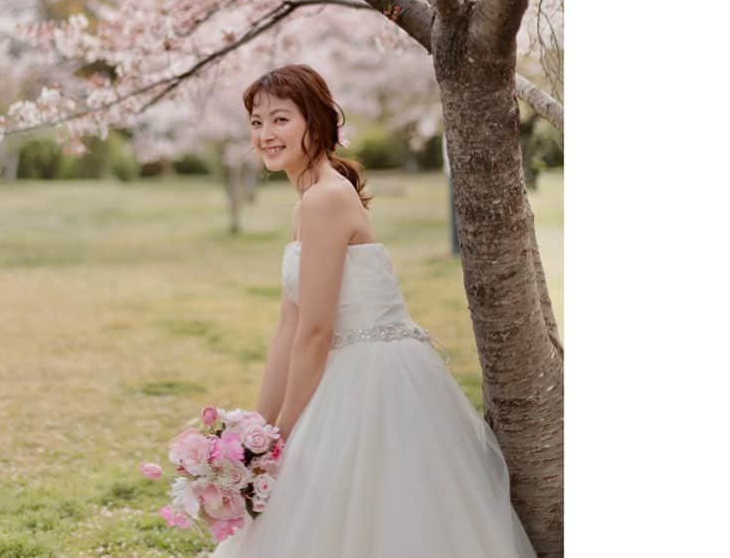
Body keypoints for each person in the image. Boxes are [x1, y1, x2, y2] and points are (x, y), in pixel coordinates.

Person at [211, 64, 537, 557]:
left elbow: (316, 331)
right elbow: (289, 325)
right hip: (343, 365)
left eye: (280, 119)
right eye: (257, 122)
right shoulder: (310, 200)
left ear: (315, 123)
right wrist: (256, 430)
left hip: (374, 377)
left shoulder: (325, 200)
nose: (265, 134)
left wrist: (284, 434)